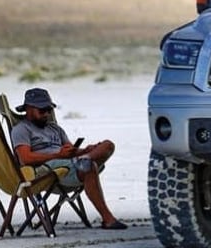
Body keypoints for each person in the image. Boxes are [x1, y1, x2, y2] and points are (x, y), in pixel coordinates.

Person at [10, 87, 127, 230]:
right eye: (42, 110)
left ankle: (85, 159)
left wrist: (84, 150)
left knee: (108, 145)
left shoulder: (54, 128)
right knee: (89, 166)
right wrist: (58, 155)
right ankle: (108, 219)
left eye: (49, 110)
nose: (46, 114)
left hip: (69, 163)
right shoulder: (21, 129)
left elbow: (70, 150)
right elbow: (26, 158)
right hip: (48, 171)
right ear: (28, 109)